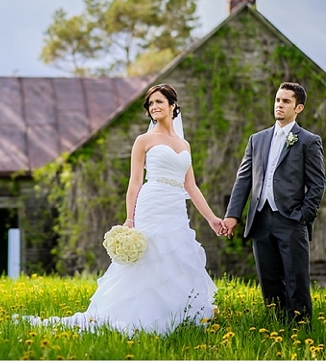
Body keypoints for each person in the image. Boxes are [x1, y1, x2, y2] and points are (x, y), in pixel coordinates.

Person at [23, 83, 224, 335]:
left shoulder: (184, 145)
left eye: (159, 102)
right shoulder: (144, 140)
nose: (154, 107)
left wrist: (212, 219)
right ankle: (134, 315)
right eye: (150, 104)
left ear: (173, 106)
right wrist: (130, 219)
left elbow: (191, 186)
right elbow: (135, 181)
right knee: (150, 255)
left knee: (175, 254)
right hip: (151, 203)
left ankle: (173, 315)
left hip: (175, 208)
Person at [222, 81, 326, 325]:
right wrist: (233, 215)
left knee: (295, 279)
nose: (279, 105)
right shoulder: (256, 140)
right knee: (269, 281)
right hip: (260, 219)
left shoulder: (308, 141)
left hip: (291, 219)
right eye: (278, 100)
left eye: (286, 101)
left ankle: (300, 332)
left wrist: (303, 215)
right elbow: (243, 180)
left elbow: (317, 183)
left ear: (298, 108)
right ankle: (276, 329)